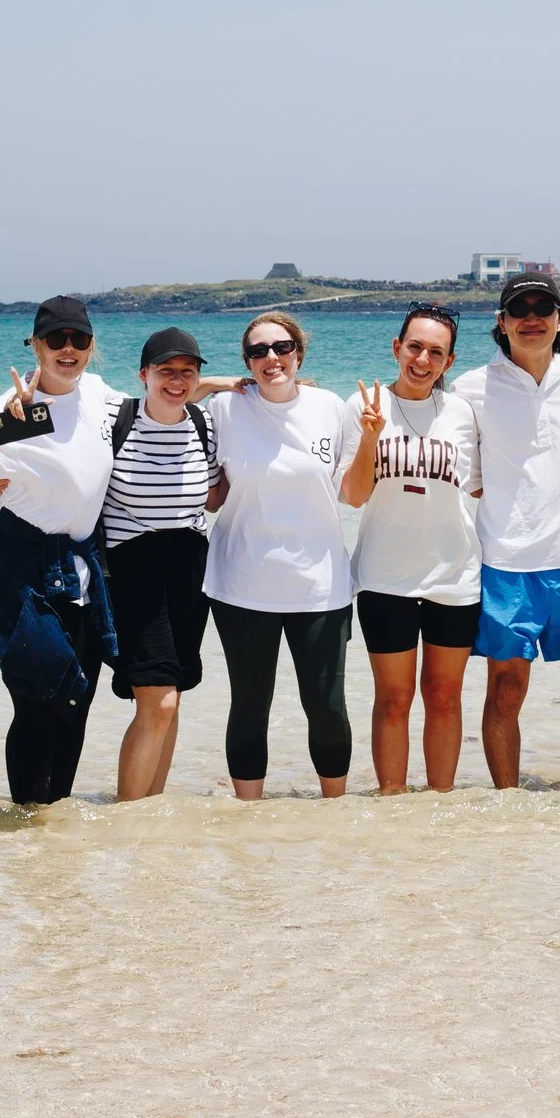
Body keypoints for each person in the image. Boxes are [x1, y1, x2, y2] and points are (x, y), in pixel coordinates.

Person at [449, 271, 560, 787]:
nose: (532, 317)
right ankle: (507, 804)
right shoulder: (471, 387)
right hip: (504, 567)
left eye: (542, 308)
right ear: (501, 322)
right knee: (504, 691)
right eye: (519, 309)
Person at [0, 295, 120, 807]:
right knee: (39, 701)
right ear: (36, 345)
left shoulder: (101, 395)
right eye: (56, 340)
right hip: (21, 567)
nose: (68, 349)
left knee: (77, 700)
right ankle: (28, 821)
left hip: (82, 571)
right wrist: (6, 428)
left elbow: (166, 394)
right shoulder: (15, 406)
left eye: (78, 340)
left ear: (91, 347)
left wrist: (232, 386)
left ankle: (52, 824)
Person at [202, 313, 358, 799]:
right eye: (258, 351)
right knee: (250, 705)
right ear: (246, 361)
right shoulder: (227, 407)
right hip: (241, 583)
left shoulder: (330, 407)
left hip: (320, 584)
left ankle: (336, 812)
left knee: (327, 705)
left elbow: (352, 490)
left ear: (299, 352)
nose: (272, 358)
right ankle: (248, 822)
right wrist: (215, 382)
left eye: (281, 347)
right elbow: (164, 394)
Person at [338, 305, 482, 794]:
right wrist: (369, 438)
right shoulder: (361, 407)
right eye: (415, 347)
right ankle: (392, 803)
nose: (423, 360)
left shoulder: (463, 412)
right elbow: (354, 495)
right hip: (385, 578)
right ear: (397, 348)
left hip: (454, 576)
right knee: (394, 700)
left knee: (444, 698)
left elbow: (484, 486)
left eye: (436, 352)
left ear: (450, 360)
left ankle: (438, 805)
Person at [101, 327, 227, 802]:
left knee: (171, 701)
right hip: (133, 570)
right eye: (166, 371)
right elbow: (56, 439)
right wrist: (4, 474)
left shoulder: (204, 425)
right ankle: (126, 813)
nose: (177, 381)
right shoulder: (118, 418)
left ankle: (147, 812)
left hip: (190, 569)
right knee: (158, 699)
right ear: (143, 375)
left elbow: (215, 497)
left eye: (188, 372)